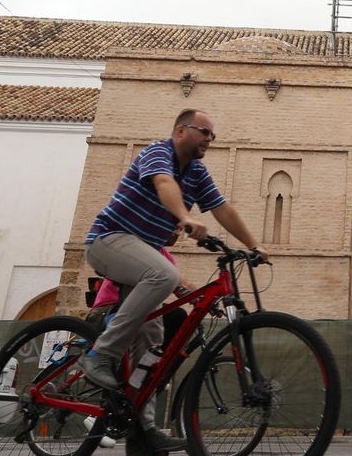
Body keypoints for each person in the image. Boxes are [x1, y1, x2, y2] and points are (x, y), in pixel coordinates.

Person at [78, 109, 265, 455]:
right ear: (181, 130)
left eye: (213, 135)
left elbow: (222, 208)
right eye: (205, 132)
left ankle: (143, 427)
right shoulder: (157, 152)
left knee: (152, 335)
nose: (210, 139)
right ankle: (99, 355)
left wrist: (253, 246)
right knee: (163, 274)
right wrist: (184, 217)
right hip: (108, 241)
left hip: (141, 257)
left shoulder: (197, 173)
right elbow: (164, 184)